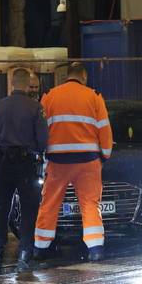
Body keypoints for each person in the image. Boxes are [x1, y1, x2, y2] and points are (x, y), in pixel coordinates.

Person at [34, 62, 113, 262]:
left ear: (66, 77)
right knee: (90, 204)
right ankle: (95, 248)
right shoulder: (94, 96)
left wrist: (42, 154)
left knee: (50, 203)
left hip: (58, 161)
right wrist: (105, 155)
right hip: (88, 161)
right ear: (84, 77)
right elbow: (104, 130)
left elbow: (41, 129)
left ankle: (40, 248)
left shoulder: (50, 96)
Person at [0, 68, 48, 272]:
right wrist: (34, 153)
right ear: (27, 84)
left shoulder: (0, 105)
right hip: (26, 165)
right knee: (29, 209)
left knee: (1, 208)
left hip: (4, 164)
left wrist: (0, 157)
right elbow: (43, 140)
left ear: (12, 83)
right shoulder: (35, 107)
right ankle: (24, 254)